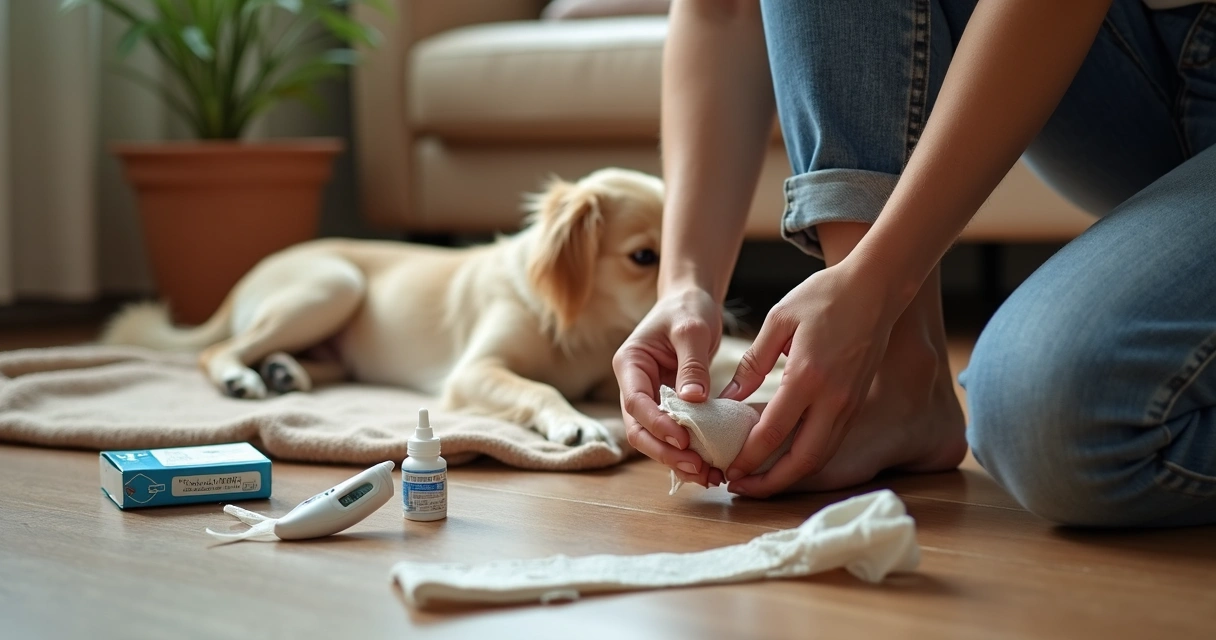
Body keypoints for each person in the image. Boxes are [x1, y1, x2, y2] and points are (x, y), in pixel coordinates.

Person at [612, 0, 1216, 527]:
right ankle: (900, 381)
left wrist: (875, 281)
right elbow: (724, 8)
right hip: (1129, 69)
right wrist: (686, 284)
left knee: (1051, 424)